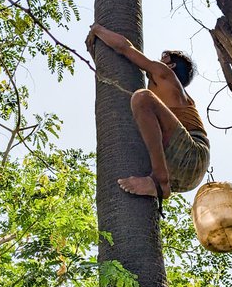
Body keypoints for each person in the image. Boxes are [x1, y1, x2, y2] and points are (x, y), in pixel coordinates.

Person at [86, 23, 210, 215]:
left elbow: (124, 48)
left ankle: (160, 180)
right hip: (185, 174)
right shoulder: (169, 97)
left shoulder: (164, 74)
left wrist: (97, 30)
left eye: (163, 58)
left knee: (142, 98)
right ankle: (161, 178)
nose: (157, 61)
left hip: (192, 155)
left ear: (171, 65)